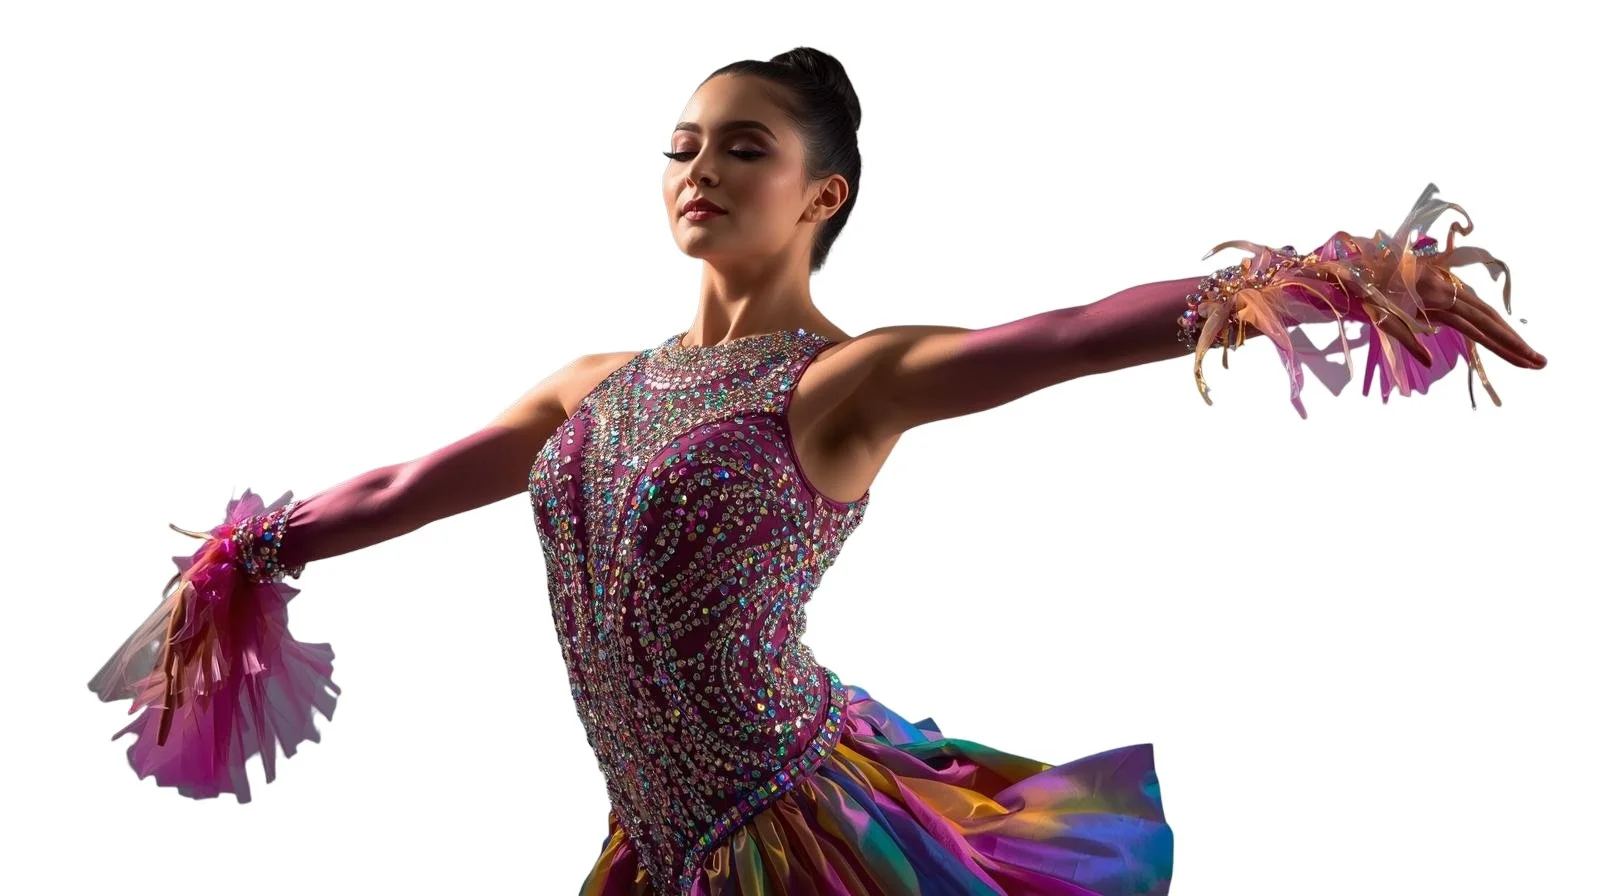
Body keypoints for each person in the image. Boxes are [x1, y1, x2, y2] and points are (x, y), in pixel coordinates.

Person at [87, 47, 1545, 896]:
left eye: (743, 147)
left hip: (800, 834)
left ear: (820, 192)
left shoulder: (845, 382)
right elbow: (400, 492)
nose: (696, 170)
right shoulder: (592, 387)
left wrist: (1346, 277)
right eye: (679, 147)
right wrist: (238, 559)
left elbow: (1073, 335)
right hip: (651, 849)